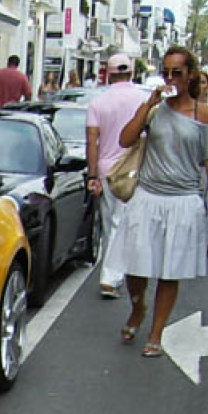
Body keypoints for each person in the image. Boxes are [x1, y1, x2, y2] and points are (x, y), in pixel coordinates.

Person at [105, 46, 208, 357]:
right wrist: (148, 104)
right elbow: (125, 139)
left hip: (184, 200)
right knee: (135, 266)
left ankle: (156, 332)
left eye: (177, 72)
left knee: (170, 271)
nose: (170, 78)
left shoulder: (205, 115)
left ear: (191, 76)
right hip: (147, 196)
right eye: (166, 72)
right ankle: (138, 306)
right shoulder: (155, 110)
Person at [86, 53, 149, 299]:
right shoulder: (144, 99)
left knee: (112, 222)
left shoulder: (98, 103)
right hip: (135, 168)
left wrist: (92, 175)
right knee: (125, 223)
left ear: (109, 74)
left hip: (106, 169)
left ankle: (111, 276)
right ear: (131, 73)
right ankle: (114, 276)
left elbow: (93, 140)